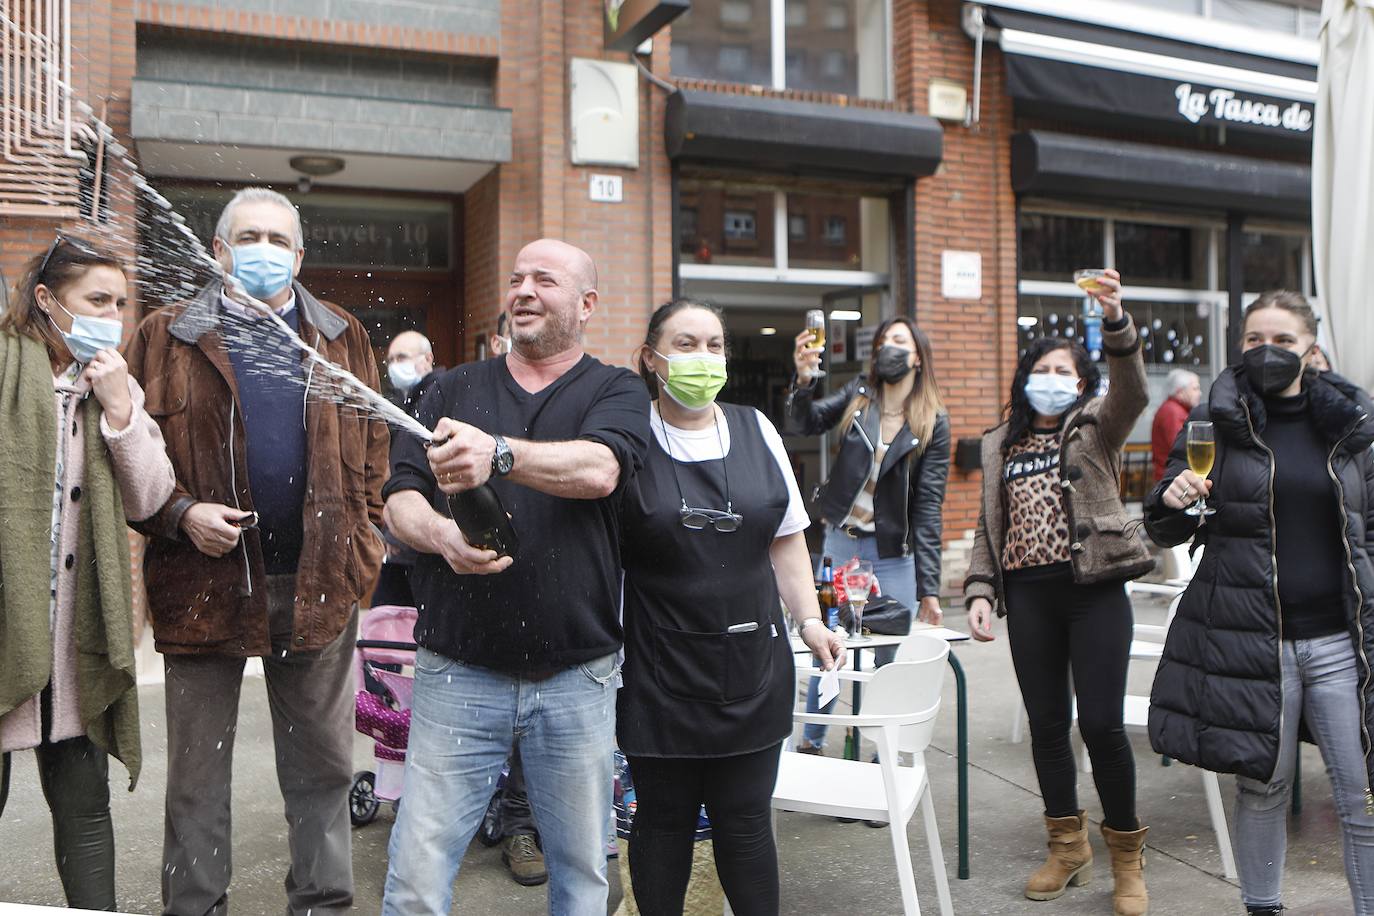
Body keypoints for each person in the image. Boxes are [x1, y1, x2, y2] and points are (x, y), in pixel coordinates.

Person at [124, 187, 388, 916]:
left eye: (278, 239)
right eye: (249, 236)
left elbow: (372, 455)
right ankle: (198, 907)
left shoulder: (340, 335)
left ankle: (322, 904)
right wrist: (179, 515)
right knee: (196, 779)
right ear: (217, 250)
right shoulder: (164, 333)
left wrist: (361, 551)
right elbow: (125, 454)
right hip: (200, 584)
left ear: (299, 256)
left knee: (324, 769)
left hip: (318, 585)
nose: (264, 251)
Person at [380, 238, 650, 915]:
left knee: (582, 873)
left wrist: (497, 454)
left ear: (586, 305)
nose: (524, 290)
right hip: (457, 670)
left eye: (546, 280)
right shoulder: (446, 388)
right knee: (416, 872)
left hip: (577, 676)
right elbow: (398, 498)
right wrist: (442, 536)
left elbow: (600, 470)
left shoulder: (615, 388)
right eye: (517, 278)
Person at [1146, 290, 1374, 916]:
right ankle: (1262, 907)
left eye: (1282, 340)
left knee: (1361, 794)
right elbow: (1163, 523)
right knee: (1262, 786)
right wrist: (1172, 500)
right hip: (1252, 640)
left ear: (1312, 349)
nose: (1266, 352)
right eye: (1253, 340)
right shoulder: (1215, 422)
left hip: (1336, 641)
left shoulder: (1351, 429)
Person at [617, 299, 846, 914]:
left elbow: (787, 538)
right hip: (658, 673)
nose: (703, 358)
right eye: (686, 344)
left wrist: (810, 620)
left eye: (715, 345)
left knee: (745, 826)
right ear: (652, 359)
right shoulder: (627, 440)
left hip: (753, 666)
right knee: (661, 824)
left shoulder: (757, 429)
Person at [964, 269, 1155, 916]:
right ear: (1023, 379)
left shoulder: (1096, 428)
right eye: (1039, 368)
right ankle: (1067, 843)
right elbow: (989, 529)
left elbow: (1132, 388)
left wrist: (1115, 320)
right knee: (1048, 725)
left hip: (1093, 589)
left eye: (1063, 371)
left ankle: (1127, 859)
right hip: (1030, 595)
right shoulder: (999, 443)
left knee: (1100, 724)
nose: (1049, 378)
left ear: (1080, 383)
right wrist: (980, 591)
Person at [0, 235, 175, 910]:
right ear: (46, 300)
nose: (113, 316)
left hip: (74, 642)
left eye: (121, 303)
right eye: (96, 300)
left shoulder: (111, 385)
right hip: (6, 629)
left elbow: (151, 496)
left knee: (85, 812)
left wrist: (121, 412)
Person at [785, 314, 951, 757]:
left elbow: (929, 506)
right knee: (829, 644)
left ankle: (883, 754)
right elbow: (806, 422)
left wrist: (929, 588)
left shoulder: (932, 420)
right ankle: (813, 742)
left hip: (894, 554)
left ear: (917, 356)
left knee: (888, 659)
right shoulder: (860, 396)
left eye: (899, 340)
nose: (888, 348)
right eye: (883, 341)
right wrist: (803, 382)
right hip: (843, 542)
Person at [374, 330, 443, 608]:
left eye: (401, 357)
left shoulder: (436, 396)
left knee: (390, 625)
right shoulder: (412, 402)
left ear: (427, 359)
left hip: (422, 543)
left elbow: (416, 473)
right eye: (390, 360)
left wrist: (399, 533)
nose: (394, 366)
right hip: (411, 540)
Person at [1151, 369, 1201, 482]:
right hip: (1172, 479)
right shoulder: (1173, 413)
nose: (1199, 393)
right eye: (1195, 388)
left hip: (1171, 477)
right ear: (1180, 391)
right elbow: (1183, 450)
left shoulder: (1173, 410)